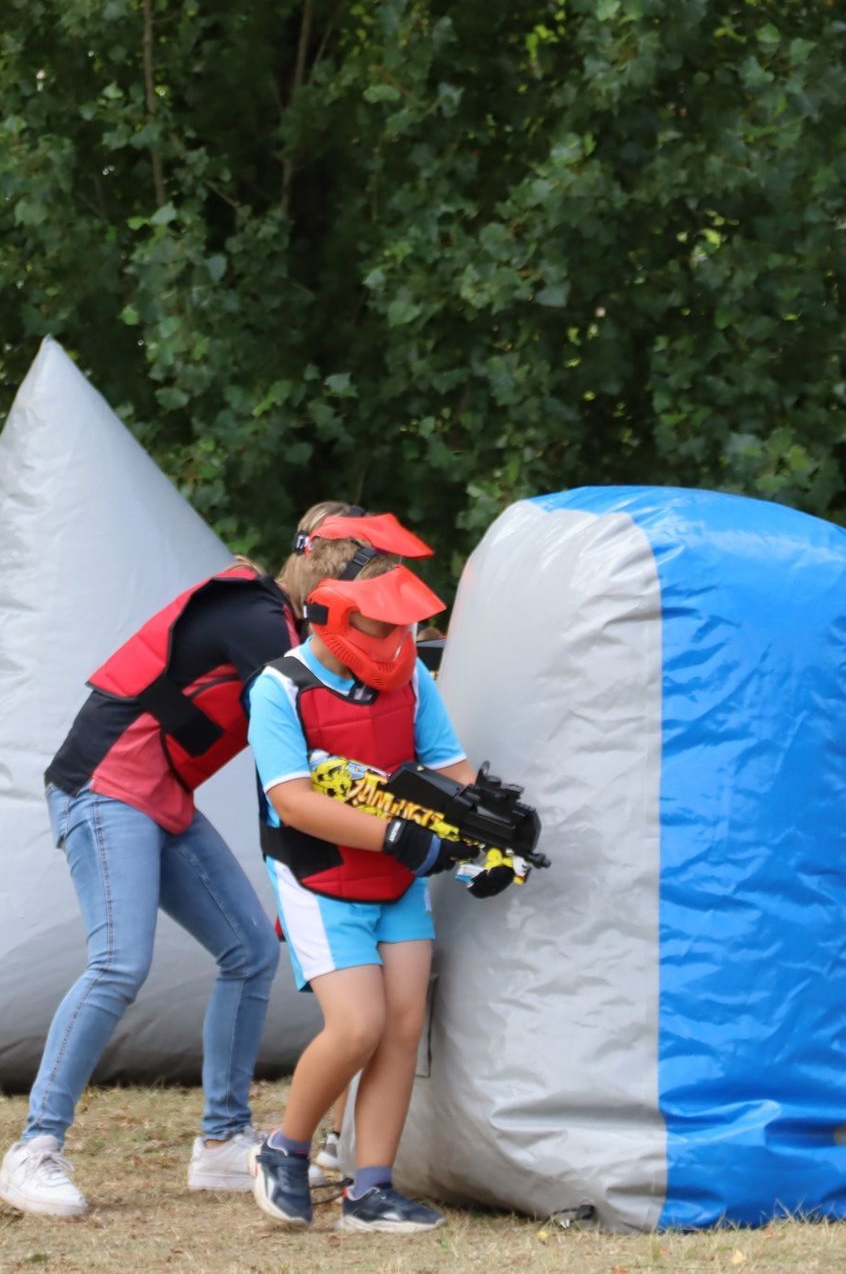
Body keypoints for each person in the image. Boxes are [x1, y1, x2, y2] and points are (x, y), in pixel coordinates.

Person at [0, 503, 432, 1218]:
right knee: (118, 964)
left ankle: (224, 1142)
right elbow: (337, 701)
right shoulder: (258, 619)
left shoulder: (283, 623)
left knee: (250, 950)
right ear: (335, 578)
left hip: (160, 796)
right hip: (104, 787)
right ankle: (35, 1148)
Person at [241, 520, 482, 1235]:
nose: (399, 642)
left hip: (397, 879)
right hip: (321, 879)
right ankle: (283, 1150)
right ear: (337, 610)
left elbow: (449, 767)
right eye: (385, 625)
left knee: (403, 1026)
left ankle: (368, 1191)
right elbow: (292, 799)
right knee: (358, 1027)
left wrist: (487, 833)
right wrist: (400, 836)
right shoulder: (279, 688)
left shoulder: (408, 673)